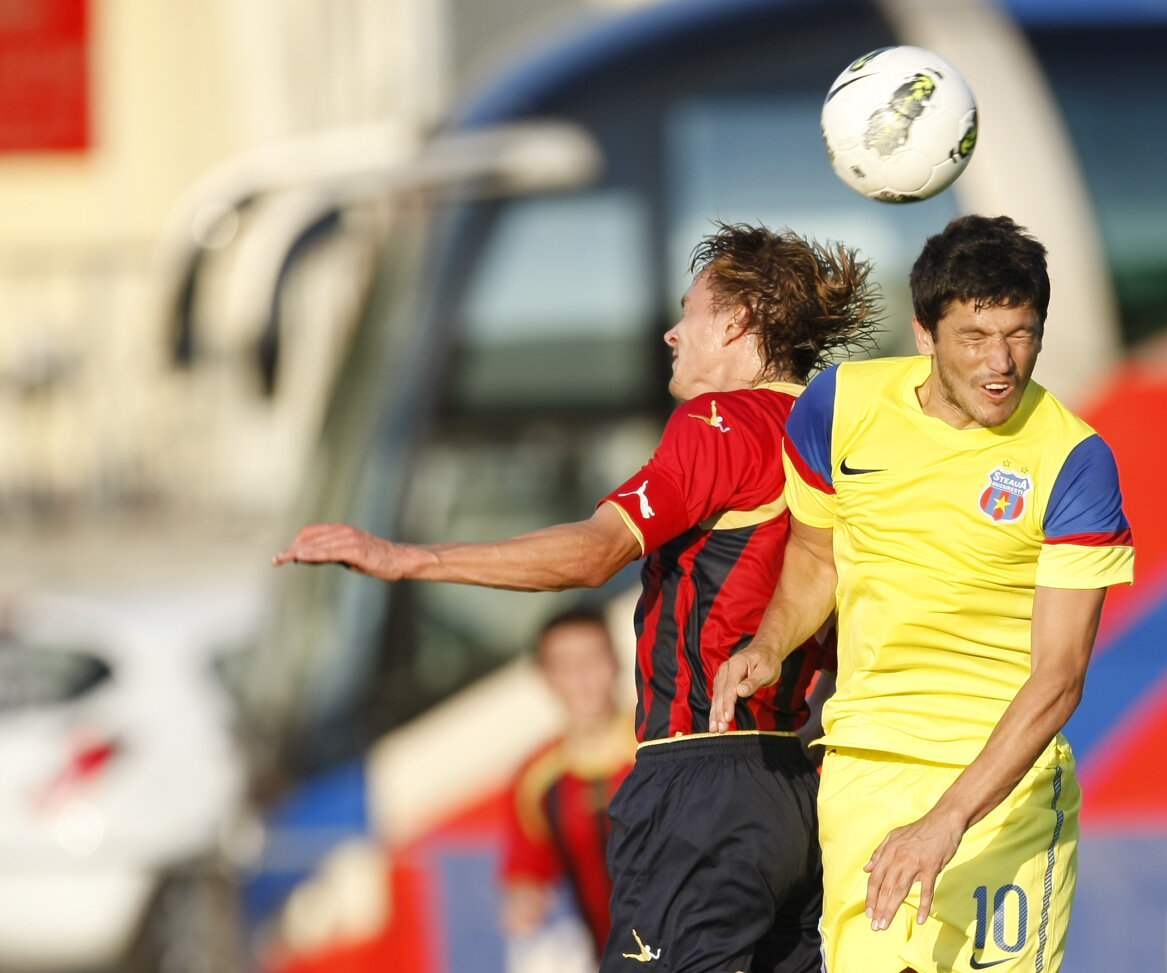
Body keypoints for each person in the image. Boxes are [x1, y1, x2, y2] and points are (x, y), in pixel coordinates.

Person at [273, 221, 881, 973]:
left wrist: (408, 557)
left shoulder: (720, 423)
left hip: (702, 778)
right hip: (795, 783)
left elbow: (596, 553)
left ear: (736, 322)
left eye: (688, 311)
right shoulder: (840, 432)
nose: (670, 332)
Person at [710, 214, 1136, 973]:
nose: (1002, 361)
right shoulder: (837, 407)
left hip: (1003, 784)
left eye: (1022, 333)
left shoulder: (1075, 460)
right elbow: (816, 558)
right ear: (924, 334)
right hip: (863, 770)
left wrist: (946, 820)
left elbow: (1060, 674)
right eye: (975, 335)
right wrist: (770, 643)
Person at [500, 606, 634, 964]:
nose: (583, 678)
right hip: (607, 959)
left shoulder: (659, 748)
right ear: (546, 677)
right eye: (566, 666)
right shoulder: (537, 779)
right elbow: (527, 873)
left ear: (616, 663)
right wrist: (524, 905)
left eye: (593, 660)